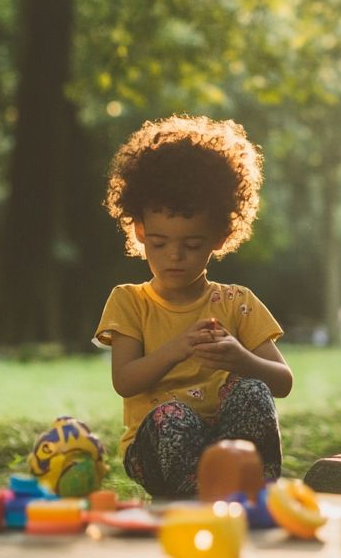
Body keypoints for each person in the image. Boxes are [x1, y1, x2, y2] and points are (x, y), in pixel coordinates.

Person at [94, 115, 293, 498]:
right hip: (156, 446)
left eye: (192, 244)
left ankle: (253, 492)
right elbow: (125, 381)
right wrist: (179, 348)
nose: (174, 257)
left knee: (252, 390)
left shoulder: (237, 303)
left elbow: (282, 382)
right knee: (174, 418)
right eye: (160, 242)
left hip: (225, 447)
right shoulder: (130, 301)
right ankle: (194, 499)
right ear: (139, 232)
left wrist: (241, 359)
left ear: (219, 238)